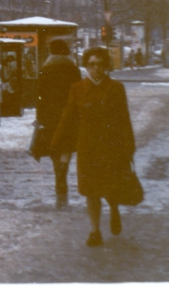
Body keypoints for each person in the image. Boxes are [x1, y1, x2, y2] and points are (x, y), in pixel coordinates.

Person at [52, 46, 136, 247]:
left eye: (100, 65)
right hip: (87, 148)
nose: (96, 69)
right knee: (91, 191)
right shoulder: (77, 89)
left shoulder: (116, 88)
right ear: (86, 66)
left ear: (106, 66)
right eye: (91, 65)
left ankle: (114, 209)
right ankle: (95, 230)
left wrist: (128, 146)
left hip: (111, 147)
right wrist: (55, 142)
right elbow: (68, 117)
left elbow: (124, 119)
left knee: (110, 187)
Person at [33, 38, 82, 207]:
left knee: (54, 147)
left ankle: (58, 175)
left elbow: (39, 96)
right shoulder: (73, 69)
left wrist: (40, 117)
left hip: (49, 116)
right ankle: (63, 172)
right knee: (66, 147)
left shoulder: (45, 69)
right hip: (69, 115)